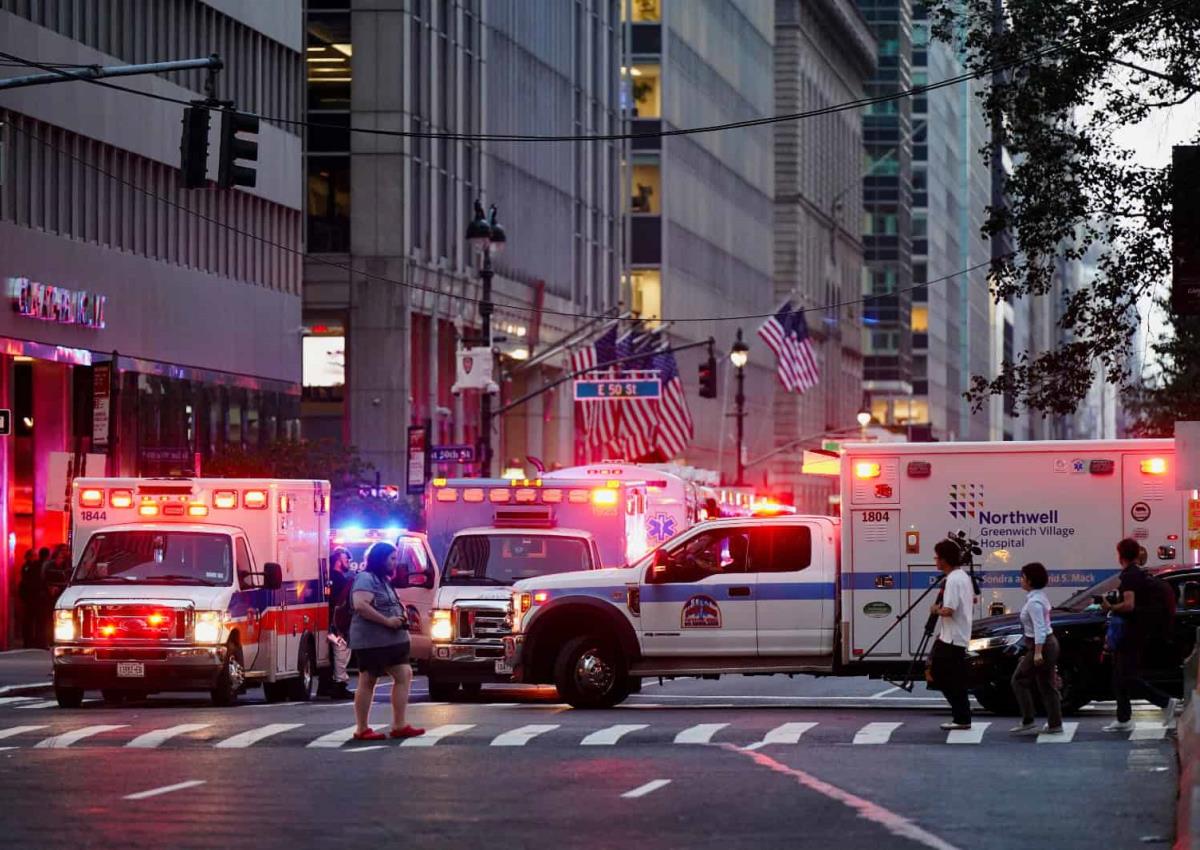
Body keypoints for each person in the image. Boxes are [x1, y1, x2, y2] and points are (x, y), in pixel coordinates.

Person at [1100, 538, 1179, 732]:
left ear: (1120, 555)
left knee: (1128, 676)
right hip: (1135, 630)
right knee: (1118, 675)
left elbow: (1129, 605)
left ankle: (1166, 702)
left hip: (1132, 632)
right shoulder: (1137, 574)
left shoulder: (1130, 576)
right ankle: (1123, 718)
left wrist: (1110, 607)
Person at [349, 542, 424, 741]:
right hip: (371, 641)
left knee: (404, 674)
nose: (395, 562)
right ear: (380, 559)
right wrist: (387, 621)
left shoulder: (384, 580)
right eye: (391, 558)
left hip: (392, 640)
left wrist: (401, 619)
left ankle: (399, 725)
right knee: (368, 680)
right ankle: (362, 728)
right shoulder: (366, 579)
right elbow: (360, 606)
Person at [1009, 562, 1063, 735]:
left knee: (1018, 680)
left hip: (1043, 645)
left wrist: (1037, 652)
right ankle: (1055, 724)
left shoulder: (1034, 602)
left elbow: (1039, 628)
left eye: (1023, 577)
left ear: (1030, 580)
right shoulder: (1039, 597)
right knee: (1046, 684)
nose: (1021, 580)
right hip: (1046, 643)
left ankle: (1028, 720)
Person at [930, 538, 974, 731]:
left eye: (937, 557)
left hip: (952, 637)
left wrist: (935, 610)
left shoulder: (953, 580)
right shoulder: (962, 576)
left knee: (941, 674)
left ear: (945, 559)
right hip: (954, 635)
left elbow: (949, 609)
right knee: (951, 677)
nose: (935, 561)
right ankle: (961, 716)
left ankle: (962, 716)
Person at [326, 547, 354, 700]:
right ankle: (339, 685)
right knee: (341, 650)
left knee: (338, 651)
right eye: (345, 559)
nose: (348, 562)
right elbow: (342, 603)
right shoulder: (340, 580)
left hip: (331, 622)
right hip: (337, 623)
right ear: (338, 561)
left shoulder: (331, 578)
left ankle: (329, 684)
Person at [17, 550, 44, 648]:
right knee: (30, 620)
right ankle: (29, 641)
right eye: (33, 556)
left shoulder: (33, 567)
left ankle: (32, 641)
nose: (35, 558)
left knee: (33, 620)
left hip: (32, 597)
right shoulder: (27, 567)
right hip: (30, 597)